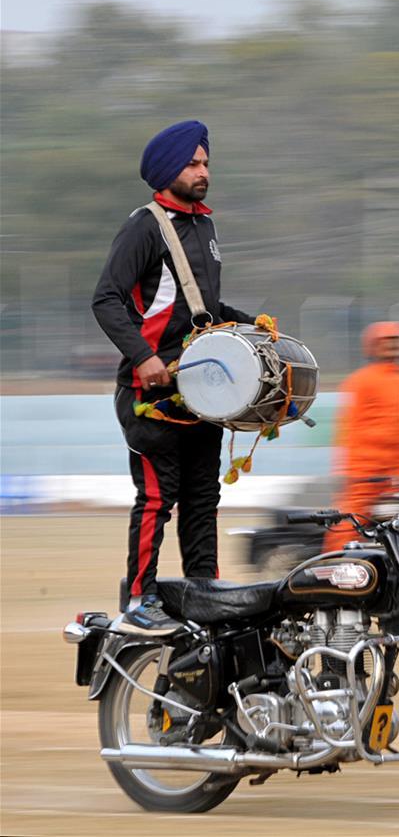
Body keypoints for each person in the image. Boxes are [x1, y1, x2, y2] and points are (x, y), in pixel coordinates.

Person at [92, 119, 256, 634]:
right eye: (193, 164)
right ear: (168, 172)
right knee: (158, 498)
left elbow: (201, 310)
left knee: (204, 498)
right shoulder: (144, 226)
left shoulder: (205, 227)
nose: (204, 171)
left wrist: (253, 328)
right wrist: (143, 357)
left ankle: (204, 590)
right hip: (150, 396)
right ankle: (139, 596)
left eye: (206, 162)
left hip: (201, 394)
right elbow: (107, 300)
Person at [323, 321, 399, 553]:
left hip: (393, 476)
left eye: (398, 342)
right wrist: (349, 472)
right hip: (364, 474)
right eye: (387, 342)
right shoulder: (360, 381)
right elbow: (347, 429)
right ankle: (330, 568)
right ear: (372, 347)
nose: (394, 347)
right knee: (347, 527)